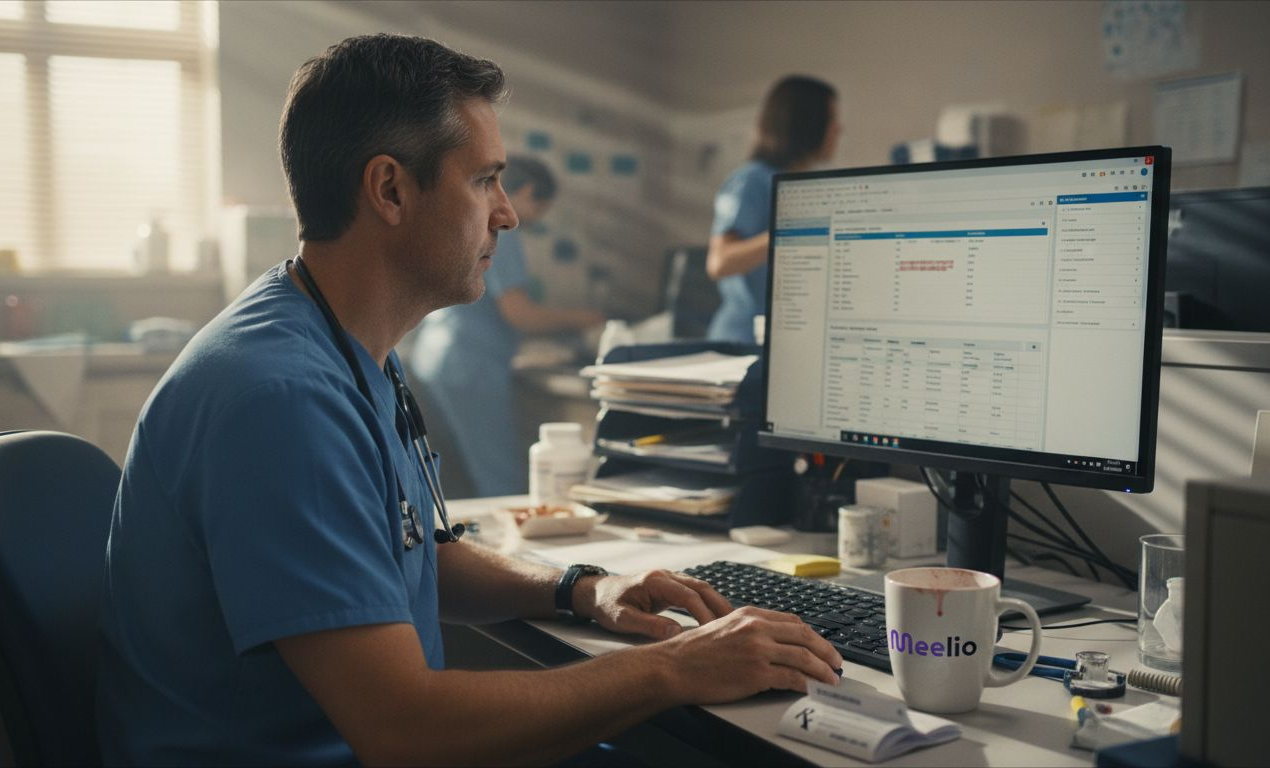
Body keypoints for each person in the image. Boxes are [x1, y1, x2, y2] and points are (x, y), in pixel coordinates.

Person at [96, 34, 842, 766]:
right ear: (390, 189)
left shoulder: (338, 342)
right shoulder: (282, 399)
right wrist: (676, 667)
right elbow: (406, 732)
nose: (507, 214)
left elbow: (416, 552)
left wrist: (583, 588)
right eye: (485, 179)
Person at [409, 155, 603, 497]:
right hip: (469, 363)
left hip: (434, 353)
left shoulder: (465, 220)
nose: (536, 217)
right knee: (499, 478)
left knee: (453, 474)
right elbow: (519, 313)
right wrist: (581, 318)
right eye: (541, 206)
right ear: (527, 192)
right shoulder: (503, 231)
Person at [705, 75, 841, 344]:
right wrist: (792, 234)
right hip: (740, 344)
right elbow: (720, 261)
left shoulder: (806, 186)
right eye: (832, 119)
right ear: (808, 122)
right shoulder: (752, 181)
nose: (839, 128)